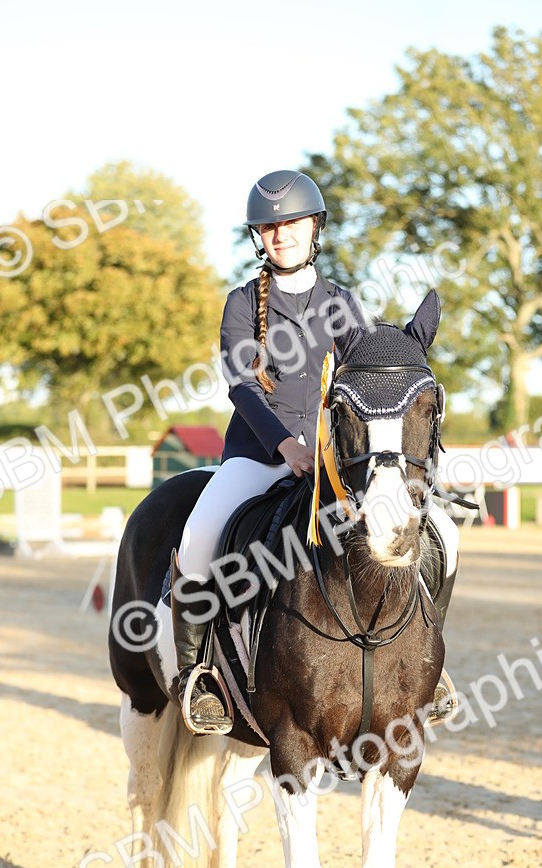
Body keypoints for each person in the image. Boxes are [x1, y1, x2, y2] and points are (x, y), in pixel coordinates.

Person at [171, 169, 458, 734]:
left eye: (292, 224)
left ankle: (429, 664)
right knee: (201, 535)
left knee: (440, 533)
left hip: (335, 460)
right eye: (269, 228)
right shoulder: (240, 303)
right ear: (259, 237)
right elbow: (241, 385)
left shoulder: (343, 304)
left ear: (315, 228)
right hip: (257, 455)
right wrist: (285, 446)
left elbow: (367, 383)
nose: (281, 235)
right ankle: (197, 674)